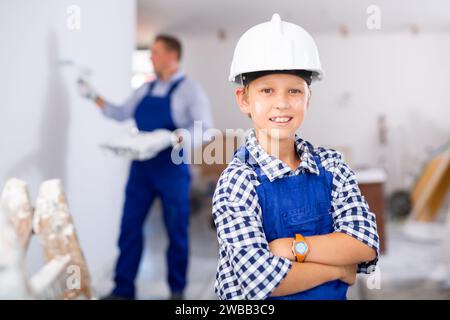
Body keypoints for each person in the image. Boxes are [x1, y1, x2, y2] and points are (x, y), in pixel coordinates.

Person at [212, 14, 379, 300]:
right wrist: (338, 269)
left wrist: (291, 248)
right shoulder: (237, 181)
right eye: (267, 90)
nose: (282, 102)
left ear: (307, 99)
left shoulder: (332, 166)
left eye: (294, 90)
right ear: (244, 99)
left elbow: (365, 245)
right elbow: (261, 281)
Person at [80, 34, 214, 300]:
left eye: (155, 52)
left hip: (172, 169)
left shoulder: (190, 90)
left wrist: (175, 137)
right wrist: (93, 95)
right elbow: (120, 112)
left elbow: (206, 130)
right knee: (129, 227)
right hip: (141, 170)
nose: (151, 57)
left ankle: (177, 292)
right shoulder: (145, 89)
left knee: (176, 232)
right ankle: (123, 290)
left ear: (172, 56)